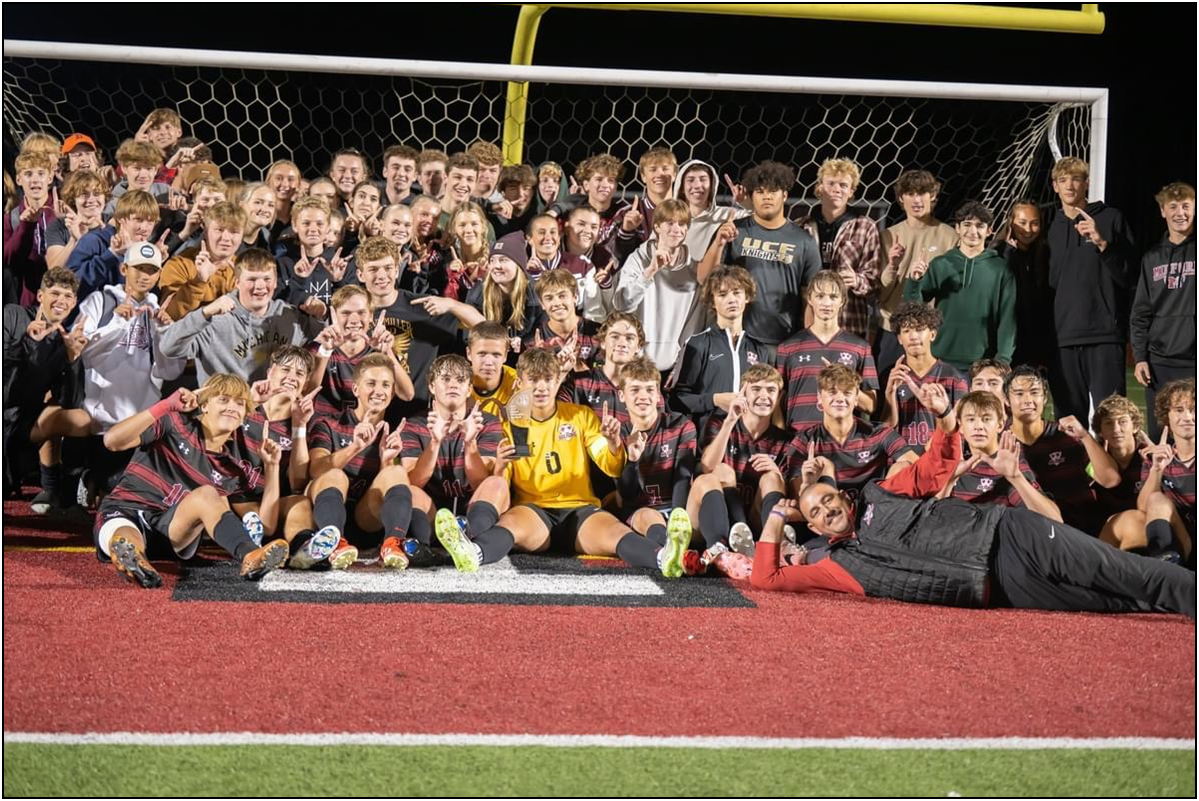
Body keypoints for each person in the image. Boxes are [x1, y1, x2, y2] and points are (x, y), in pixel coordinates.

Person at [750, 387, 1193, 618]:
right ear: (816, 528)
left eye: (828, 500)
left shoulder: (878, 495)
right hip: (999, 588)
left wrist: (945, 419)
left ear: (844, 496)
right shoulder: (836, 568)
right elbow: (767, 579)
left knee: (1123, 572)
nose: (826, 510)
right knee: (1114, 603)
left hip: (1012, 536)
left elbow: (933, 469)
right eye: (815, 514)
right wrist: (775, 515)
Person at [432, 347, 692, 578]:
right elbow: (502, 486)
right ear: (519, 383)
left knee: (615, 534)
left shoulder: (581, 416)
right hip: (534, 511)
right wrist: (500, 464)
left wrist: (613, 444)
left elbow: (610, 466)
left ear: (558, 381)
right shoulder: (512, 422)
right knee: (510, 525)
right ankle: (473, 552)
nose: (541, 387)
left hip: (580, 510)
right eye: (533, 380)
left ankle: (665, 558)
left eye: (548, 379)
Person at [96, 376, 292, 588]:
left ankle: (250, 555)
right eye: (224, 399)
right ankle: (132, 556)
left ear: (244, 415)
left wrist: (272, 467)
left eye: (239, 403)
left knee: (207, 495)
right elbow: (112, 441)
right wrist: (164, 406)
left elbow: (267, 526)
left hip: (172, 531)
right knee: (124, 534)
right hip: (126, 509)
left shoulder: (231, 466)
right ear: (205, 405)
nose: (232, 407)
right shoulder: (175, 422)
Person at [1045, 156, 1137, 422]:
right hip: (1062, 340)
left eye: (1076, 179)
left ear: (1086, 183)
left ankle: (1112, 466)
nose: (1070, 186)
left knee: (1113, 419)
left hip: (1104, 336)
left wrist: (1102, 244)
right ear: (1054, 186)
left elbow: (1130, 276)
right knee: (1069, 424)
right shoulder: (1050, 227)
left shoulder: (1111, 218)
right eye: (1063, 180)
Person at [305, 353, 413, 570]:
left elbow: (387, 489)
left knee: (396, 473)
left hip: (365, 521)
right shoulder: (328, 424)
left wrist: (386, 460)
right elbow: (315, 470)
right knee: (335, 475)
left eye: (385, 385)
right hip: (326, 516)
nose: (378, 391)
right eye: (371, 383)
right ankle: (334, 544)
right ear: (356, 389)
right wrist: (354, 448)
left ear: (392, 392)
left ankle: (392, 544)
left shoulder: (394, 433)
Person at [699, 161, 820, 350]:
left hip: (783, 342)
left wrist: (808, 342)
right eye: (760, 192)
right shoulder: (733, 232)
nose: (767, 197)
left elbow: (810, 299)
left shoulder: (804, 241)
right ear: (752, 196)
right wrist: (718, 243)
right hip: (734, 340)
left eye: (773, 191)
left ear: (785, 195)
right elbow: (704, 279)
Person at [157, 248, 324, 383]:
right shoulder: (214, 319)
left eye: (267, 279)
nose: (260, 286)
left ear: (275, 282)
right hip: (225, 415)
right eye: (251, 279)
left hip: (274, 417)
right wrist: (205, 312)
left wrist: (320, 315)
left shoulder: (289, 315)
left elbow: (326, 341)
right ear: (237, 283)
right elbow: (168, 348)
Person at [398, 354, 504, 565]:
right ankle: (428, 546)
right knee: (407, 490)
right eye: (445, 379)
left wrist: (470, 442)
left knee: (497, 483)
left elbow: (481, 483)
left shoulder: (487, 422)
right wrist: (434, 442)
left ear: (468, 388)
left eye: (460, 380)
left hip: (472, 513)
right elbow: (413, 482)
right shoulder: (414, 425)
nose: (453, 385)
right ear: (431, 386)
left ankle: (464, 538)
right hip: (431, 514)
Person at [3, 268, 84, 510]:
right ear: (40, 296)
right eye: (55, 293)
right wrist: (26, 342)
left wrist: (73, 360)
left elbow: (70, 401)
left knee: (80, 418)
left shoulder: (64, 341)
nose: (61, 301)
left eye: (68, 296)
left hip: (24, 424)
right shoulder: (12, 315)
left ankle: (59, 495)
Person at [903, 200, 1016, 371]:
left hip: (983, 364)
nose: (973, 231)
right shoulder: (941, 264)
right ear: (957, 228)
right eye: (967, 224)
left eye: (979, 226)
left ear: (989, 231)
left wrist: (1002, 360)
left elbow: (1008, 320)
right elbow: (913, 309)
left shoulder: (1001, 269)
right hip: (939, 359)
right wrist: (915, 280)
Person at [1004, 365, 1117, 532]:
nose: (1028, 400)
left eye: (1035, 392)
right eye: (1019, 394)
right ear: (1006, 400)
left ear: (1044, 398)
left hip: (1084, 529)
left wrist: (1085, 437)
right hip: (1035, 532)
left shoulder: (1067, 435)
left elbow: (1110, 480)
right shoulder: (1001, 443)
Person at [875, 169, 958, 385]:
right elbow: (881, 293)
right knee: (887, 390)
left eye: (922, 193)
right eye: (910, 194)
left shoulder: (949, 237)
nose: (916, 200)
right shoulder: (888, 236)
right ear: (901, 198)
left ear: (933, 196)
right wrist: (893, 265)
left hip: (930, 332)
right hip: (891, 328)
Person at [786, 364, 915, 502]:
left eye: (847, 393)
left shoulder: (879, 433)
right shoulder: (804, 440)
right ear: (819, 398)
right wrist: (807, 484)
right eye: (832, 392)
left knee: (903, 467)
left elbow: (918, 466)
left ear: (856, 400)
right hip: (830, 514)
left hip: (876, 511)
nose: (840, 399)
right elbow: (799, 502)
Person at [670, 265, 771, 432]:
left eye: (737, 292)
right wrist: (715, 400)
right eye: (723, 295)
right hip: (708, 439)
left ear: (747, 297)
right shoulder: (698, 344)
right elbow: (677, 400)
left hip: (746, 442)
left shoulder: (760, 349)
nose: (731, 299)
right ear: (713, 302)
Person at [1131, 182, 1195, 440]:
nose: (1180, 213)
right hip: (1160, 362)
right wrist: (1140, 357)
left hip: (1193, 359)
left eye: (1186, 206)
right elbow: (1140, 313)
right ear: (1163, 211)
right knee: (1162, 434)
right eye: (1174, 207)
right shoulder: (1152, 258)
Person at [777, 270, 878, 431]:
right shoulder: (788, 347)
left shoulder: (860, 347)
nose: (826, 303)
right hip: (798, 440)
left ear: (842, 301)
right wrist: (781, 439)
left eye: (833, 297)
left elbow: (871, 405)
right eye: (820, 296)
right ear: (809, 299)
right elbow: (776, 400)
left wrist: (842, 381)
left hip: (841, 441)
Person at [793, 158, 881, 339]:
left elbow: (874, 280)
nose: (837, 189)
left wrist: (856, 280)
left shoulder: (865, 227)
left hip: (848, 321)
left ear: (851, 191)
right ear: (820, 188)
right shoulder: (800, 227)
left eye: (843, 185)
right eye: (831, 183)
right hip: (804, 321)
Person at [940, 390, 1061, 521]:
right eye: (970, 419)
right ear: (961, 426)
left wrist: (1016, 477)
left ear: (1000, 425)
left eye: (986, 419)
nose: (978, 426)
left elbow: (1055, 520)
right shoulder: (956, 464)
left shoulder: (1010, 465)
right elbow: (930, 520)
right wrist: (950, 480)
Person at [612, 198, 703, 371]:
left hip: (674, 366)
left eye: (682, 224)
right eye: (669, 223)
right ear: (657, 227)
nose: (676, 229)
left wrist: (682, 364)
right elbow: (623, 305)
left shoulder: (694, 269)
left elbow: (694, 324)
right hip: (636, 364)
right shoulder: (638, 259)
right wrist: (650, 272)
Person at [881, 301, 968, 450]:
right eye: (907, 331)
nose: (913, 336)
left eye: (919, 329)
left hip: (939, 458)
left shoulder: (954, 377)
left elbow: (962, 432)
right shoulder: (892, 376)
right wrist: (890, 394)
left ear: (932, 334)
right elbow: (885, 431)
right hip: (901, 461)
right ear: (899, 339)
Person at [1137, 378, 1195, 563]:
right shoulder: (1159, 456)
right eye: (1179, 410)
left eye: (1193, 409)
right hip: (1182, 539)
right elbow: (1144, 507)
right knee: (1152, 501)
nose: (1187, 417)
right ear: (1166, 415)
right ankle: (1165, 564)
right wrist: (1156, 469)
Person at [158, 202, 246, 320]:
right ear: (205, 232)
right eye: (219, 230)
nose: (226, 238)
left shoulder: (247, 270)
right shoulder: (180, 264)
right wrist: (198, 282)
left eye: (234, 232)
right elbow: (169, 314)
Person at [991, 199, 1053, 370]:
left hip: (1033, 343)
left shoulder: (1044, 254)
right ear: (1010, 224)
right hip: (1005, 343)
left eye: (1034, 223)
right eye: (1022, 223)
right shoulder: (997, 253)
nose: (1028, 229)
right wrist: (1010, 254)